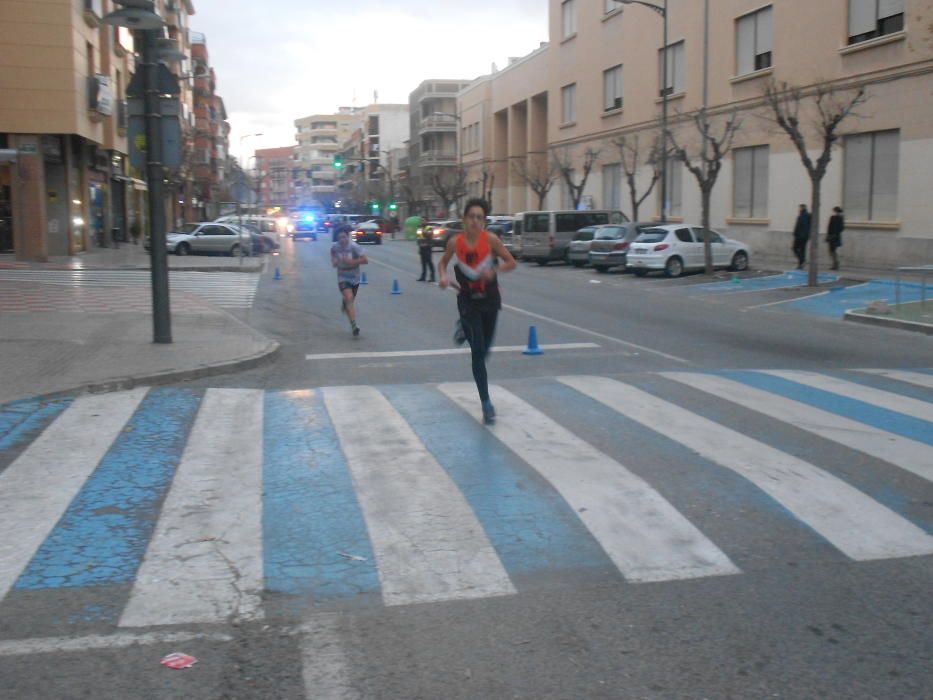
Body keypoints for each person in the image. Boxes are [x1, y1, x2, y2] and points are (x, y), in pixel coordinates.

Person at [438, 197, 517, 425]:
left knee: (485, 351)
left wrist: (495, 271)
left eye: (480, 217)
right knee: (478, 351)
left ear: (484, 221)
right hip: (467, 300)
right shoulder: (455, 242)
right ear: (464, 219)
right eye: (471, 216)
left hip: (490, 299)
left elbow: (511, 262)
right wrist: (443, 276)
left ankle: (463, 329)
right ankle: (486, 403)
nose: (475, 221)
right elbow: (443, 262)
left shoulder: (491, 240)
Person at [331, 229, 368, 337]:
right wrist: (336, 261)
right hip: (342, 277)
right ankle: (354, 326)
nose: (342, 240)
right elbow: (333, 261)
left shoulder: (354, 247)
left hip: (354, 277)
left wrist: (353, 262)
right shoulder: (335, 247)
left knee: (349, 300)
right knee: (349, 298)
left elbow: (365, 260)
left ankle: (345, 303)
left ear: (348, 237)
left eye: (344, 237)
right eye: (339, 238)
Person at [416, 215, 435, 282]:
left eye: (423, 220)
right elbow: (418, 237)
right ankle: (423, 276)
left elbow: (429, 235)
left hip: (427, 247)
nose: (422, 221)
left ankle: (432, 277)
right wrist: (419, 245)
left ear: (427, 221)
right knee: (423, 263)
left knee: (429, 262)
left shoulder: (429, 227)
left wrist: (423, 231)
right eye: (421, 220)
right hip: (421, 247)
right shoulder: (419, 227)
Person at [792, 203, 811, 269]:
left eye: (800, 207)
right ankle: (801, 264)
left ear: (802, 208)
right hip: (804, 236)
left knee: (795, 248)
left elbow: (800, 226)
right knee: (802, 250)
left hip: (800, 236)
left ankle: (802, 260)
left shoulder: (803, 216)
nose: (799, 209)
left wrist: (796, 233)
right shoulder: (806, 215)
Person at [826, 206, 844, 271]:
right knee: (832, 251)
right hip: (835, 237)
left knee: (832, 251)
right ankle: (835, 263)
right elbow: (841, 228)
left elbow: (829, 228)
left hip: (833, 237)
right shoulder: (840, 218)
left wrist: (829, 235)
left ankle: (835, 263)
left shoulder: (834, 218)